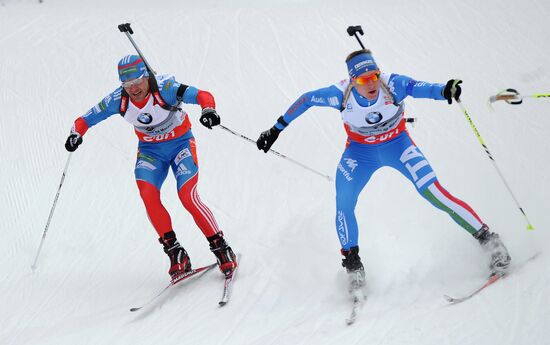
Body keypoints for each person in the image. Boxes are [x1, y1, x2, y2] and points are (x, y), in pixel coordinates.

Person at [256, 49, 511, 289]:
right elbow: (306, 100)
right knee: (343, 202)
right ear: (352, 80)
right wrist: (276, 129)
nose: (371, 84)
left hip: (398, 146)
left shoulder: (392, 84)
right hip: (360, 153)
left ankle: (490, 241)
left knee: (433, 192)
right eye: (363, 79)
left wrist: (445, 90)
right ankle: (353, 265)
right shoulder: (339, 94)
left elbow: (418, 87)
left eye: (374, 76)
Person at [65, 55, 237, 280]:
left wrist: (208, 110)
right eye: (126, 84)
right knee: (148, 195)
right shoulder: (118, 100)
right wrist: (75, 134)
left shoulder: (166, 88)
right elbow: (85, 119)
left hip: (180, 145)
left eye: (137, 81)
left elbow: (203, 95)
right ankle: (176, 253)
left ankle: (220, 246)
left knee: (187, 196)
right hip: (150, 151)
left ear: (146, 76)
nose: (133, 89)